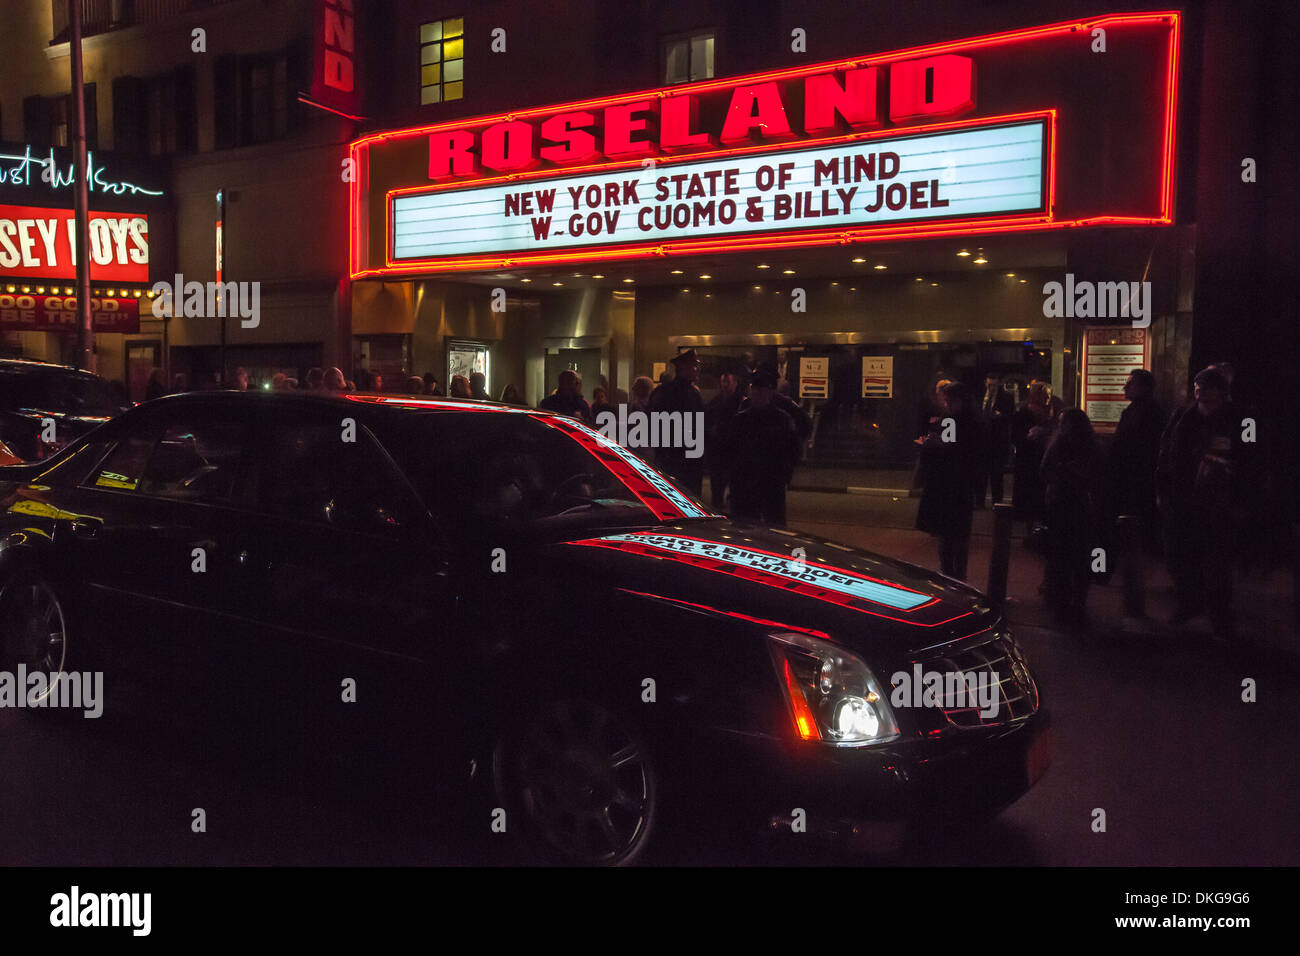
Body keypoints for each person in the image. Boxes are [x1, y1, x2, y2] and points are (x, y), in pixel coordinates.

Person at [1156, 366, 1260, 641]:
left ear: (1221, 391)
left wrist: (1243, 497)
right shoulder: (1182, 416)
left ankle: (1219, 613)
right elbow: (1166, 454)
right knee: (1182, 556)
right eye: (1197, 385)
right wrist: (1163, 489)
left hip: (1220, 502)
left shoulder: (1240, 420)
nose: (1200, 390)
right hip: (1184, 499)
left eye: (1207, 385)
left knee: (1218, 563)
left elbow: (1252, 461)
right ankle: (1189, 604)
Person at [1040, 408, 1103, 620]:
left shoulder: (1061, 445)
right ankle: (1074, 601)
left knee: (1064, 555)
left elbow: (1045, 470)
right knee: (1076, 555)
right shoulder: (1091, 446)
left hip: (1065, 505)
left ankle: (1064, 600)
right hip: (1077, 506)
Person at [915, 382, 979, 579]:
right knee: (960, 536)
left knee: (947, 534)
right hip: (964, 484)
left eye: (947, 400)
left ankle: (949, 575)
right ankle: (959, 575)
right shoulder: (975, 419)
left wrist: (931, 443)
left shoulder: (950, 419)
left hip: (947, 484)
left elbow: (946, 448)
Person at [725, 367, 800, 525]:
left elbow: (792, 451)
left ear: (769, 393)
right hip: (748, 487)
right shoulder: (742, 419)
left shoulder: (780, 420)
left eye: (761, 390)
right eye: (755, 390)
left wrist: (783, 475)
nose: (757, 394)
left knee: (769, 530)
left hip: (768, 485)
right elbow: (730, 452)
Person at [1108, 368, 1165, 552]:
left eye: (1130, 383)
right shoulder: (1144, 410)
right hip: (1136, 475)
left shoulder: (1145, 412)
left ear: (1143, 387)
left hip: (1137, 477)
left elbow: (1137, 446)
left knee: (1137, 518)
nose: (1125, 387)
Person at [648, 350, 706, 495]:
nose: (697, 369)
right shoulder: (691, 394)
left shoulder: (664, 392)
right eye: (694, 366)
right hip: (678, 459)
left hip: (675, 458)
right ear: (683, 368)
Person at [1011, 382, 1056, 536]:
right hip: (1028, 462)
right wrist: (1028, 436)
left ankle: (1036, 530)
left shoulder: (1051, 411)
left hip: (1039, 461)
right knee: (1031, 499)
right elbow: (1015, 436)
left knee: (1038, 499)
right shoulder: (1024, 412)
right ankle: (1030, 530)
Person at [705, 370, 744, 509]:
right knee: (717, 487)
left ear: (735, 383)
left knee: (732, 487)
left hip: (731, 452)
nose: (725, 385)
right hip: (718, 452)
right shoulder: (716, 402)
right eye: (723, 382)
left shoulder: (741, 403)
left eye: (728, 382)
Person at [976, 372, 1015, 507]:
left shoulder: (1006, 398)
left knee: (996, 475)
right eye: (989, 385)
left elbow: (1010, 417)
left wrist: (999, 416)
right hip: (982, 441)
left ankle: (996, 501)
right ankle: (979, 501)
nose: (991, 388)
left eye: (993, 385)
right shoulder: (981, 396)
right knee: (981, 474)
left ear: (998, 384)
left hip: (997, 442)